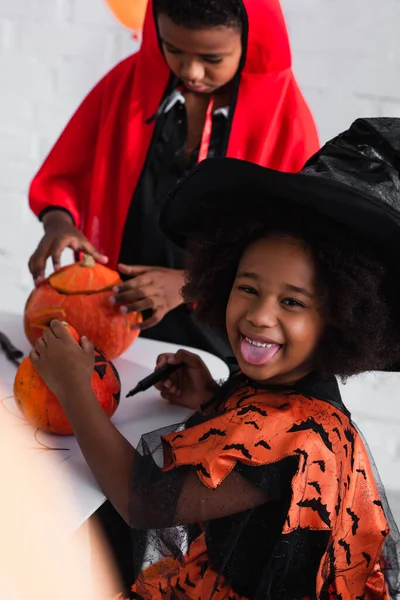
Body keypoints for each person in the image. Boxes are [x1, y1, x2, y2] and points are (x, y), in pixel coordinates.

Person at [28, 117, 400, 599]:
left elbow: (141, 501)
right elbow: (249, 434)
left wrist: (74, 387)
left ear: (341, 319)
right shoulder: (288, 388)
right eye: (247, 288)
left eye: (292, 302)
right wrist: (212, 397)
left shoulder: (299, 437)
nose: (258, 315)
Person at [27, 0, 319, 363]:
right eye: (173, 49)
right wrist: (59, 223)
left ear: (251, 41)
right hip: (118, 311)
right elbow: (66, 170)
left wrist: (188, 281)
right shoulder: (126, 84)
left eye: (213, 59)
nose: (191, 71)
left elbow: (291, 242)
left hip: (217, 329)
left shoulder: (286, 121)